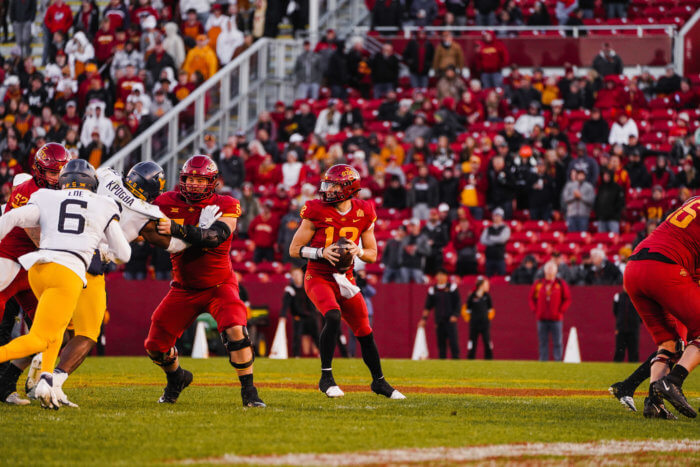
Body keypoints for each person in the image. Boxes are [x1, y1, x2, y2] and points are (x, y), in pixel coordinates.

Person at [39, 162, 186, 407]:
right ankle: (51, 380)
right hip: (92, 259)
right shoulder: (148, 213)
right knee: (86, 333)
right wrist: (195, 236)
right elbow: (174, 244)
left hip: (59, 248)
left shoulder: (107, 175)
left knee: (51, 327)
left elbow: (81, 182)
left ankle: (30, 377)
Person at [0, 159, 130, 409]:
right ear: (92, 183)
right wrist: (102, 249)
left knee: (56, 332)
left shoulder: (46, 195)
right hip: (66, 273)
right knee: (40, 338)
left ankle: (47, 380)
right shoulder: (103, 203)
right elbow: (123, 254)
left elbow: (14, 216)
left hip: (37, 269)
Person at [149, 155, 266, 407]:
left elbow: (216, 236)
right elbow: (145, 228)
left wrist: (178, 230)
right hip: (183, 287)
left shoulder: (226, 203)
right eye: (190, 178)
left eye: (200, 180)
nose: (193, 184)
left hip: (219, 286)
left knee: (236, 329)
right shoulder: (165, 202)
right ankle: (176, 378)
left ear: (212, 182)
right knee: (155, 346)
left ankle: (249, 392)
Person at [289, 164, 405, 399]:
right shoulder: (315, 209)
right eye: (328, 184)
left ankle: (379, 382)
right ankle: (326, 378)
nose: (328, 189)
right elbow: (294, 249)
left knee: (364, 330)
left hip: (346, 277)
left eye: (334, 185)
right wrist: (321, 252)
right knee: (332, 315)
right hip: (318, 275)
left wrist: (357, 251)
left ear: (349, 188)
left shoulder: (364, 210)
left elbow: (372, 254)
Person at [0, 143, 70, 406]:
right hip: (10, 259)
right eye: (53, 172)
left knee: (48, 328)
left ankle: (6, 384)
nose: (58, 178)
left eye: (61, 172)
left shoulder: (62, 190)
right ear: (39, 171)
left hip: (33, 266)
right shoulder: (26, 191)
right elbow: (38, 237)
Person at [622, 193, 700, 419]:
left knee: (668, 343)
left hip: (635, 267)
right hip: (664, 268)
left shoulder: (693, 201)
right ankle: (674, 381)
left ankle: (653, 403)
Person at [530, 261, 571, 362]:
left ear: (555, 271)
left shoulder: (560, 284)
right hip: (542, 317)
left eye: (551, 270)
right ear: (544, 271)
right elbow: (531, 298)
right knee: (543, 341)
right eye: (548, 270)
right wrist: (536, 310)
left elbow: (567, 299)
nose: (549, 272)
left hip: (556, 318)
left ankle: (558, 360)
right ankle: (543, 360)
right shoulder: (539, 284)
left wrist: (561, 311)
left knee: (557, 341)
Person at [419, 269, 461, 359]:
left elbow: (458, 303)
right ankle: (442, 362)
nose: (440, 277)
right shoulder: (433, 290)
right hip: (439, 320)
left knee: (454, 343)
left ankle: (457, 361)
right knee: (441, 344)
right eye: (438, 275)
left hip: (450, 320)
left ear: (446, 276)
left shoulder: (452, 287)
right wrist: (423, 319)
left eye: (442, 275)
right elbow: (428, 306)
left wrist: (455, 315)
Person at [280, 267, 319, 358]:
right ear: (292, 277)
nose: (297, 277)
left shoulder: (307, 287)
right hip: (298, 317)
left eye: (299, 274)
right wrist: (282, 316)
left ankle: (321, 354)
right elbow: (285, 304)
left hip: (311, 316)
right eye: (295, 275)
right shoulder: (290, 289)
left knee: (316, 335)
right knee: (297, 336)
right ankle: (296, 355)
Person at [464, 277, 494, 359]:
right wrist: (471, 319)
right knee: (472, 342)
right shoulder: (472, 296)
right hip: (474, 324)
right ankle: (470, 359)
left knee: (487, 341)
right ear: (480, 286)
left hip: (484, 324)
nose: (488, 286)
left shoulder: (487, 296)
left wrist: (487, 319)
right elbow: (467, 310)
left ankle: (489, 359)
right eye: (486, 284)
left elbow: (490, 309)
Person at [562, 168, 595, 232]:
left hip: (583, 215)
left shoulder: (589, 187)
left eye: (582, 175)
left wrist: (581, 197)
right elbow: (565, 199)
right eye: (579, 175)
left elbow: (591, 200)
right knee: (572, 235)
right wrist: (574, 196)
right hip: (571, 214)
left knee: (582, 235)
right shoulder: (569, 185)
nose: (580, 176)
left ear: (585, 176)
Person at [480, 208, 510, 276]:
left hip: (500, 257)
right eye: (494, 215)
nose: (496, 217)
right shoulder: (488, 228)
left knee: (501, 278)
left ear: (502, 217)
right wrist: (496, 240)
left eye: (498, 216)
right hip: (489, 257)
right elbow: (483, 240)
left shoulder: (505, 228)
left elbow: (502, 239)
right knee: (488, 277)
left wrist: (490, 238)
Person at [613, 289, 641, 363]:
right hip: (621, 328)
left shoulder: (636, 297)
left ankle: (634, 368)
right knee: (619, 350)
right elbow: (615, 311)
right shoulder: (618, 297)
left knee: (633, 351)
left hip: (633, 329)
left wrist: (636, 322)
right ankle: (617, 366)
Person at [594, 169, 625, 234]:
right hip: (602, 218)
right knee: (601, 239)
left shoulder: (617, 188)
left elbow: (620, 203)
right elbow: (597, 202)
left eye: (607, 175)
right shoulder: (601, 187)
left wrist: (615, 214)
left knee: (614, 238)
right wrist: (598, 214)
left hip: (613, 218)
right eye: (604, 175)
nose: (605, 177)